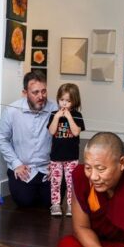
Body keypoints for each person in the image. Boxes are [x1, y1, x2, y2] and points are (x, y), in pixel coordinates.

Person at [0, 70, 59, 208]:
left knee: (50, 202)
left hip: (46, 168)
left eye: (43, 91)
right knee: (25, 201)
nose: (41, 96)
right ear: (25, 93)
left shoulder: (55, 108)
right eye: (35, 92)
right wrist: (16, 163)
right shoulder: (11, 111)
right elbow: (1, 138)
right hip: (24, 168)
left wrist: (56, 162)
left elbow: (63, 138)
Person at [48, 83, 85, 217]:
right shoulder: (54, 114)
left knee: (71, 183)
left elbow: (75, 132)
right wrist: (57, 117)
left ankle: (71, 205)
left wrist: (69, 117)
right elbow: (52, 131)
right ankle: (55, 204)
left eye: (68, 101)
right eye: (62, 99)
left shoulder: (77, 115)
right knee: (55, 182)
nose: (64, 103)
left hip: (71, 157)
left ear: (74, 101)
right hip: (56, 157)